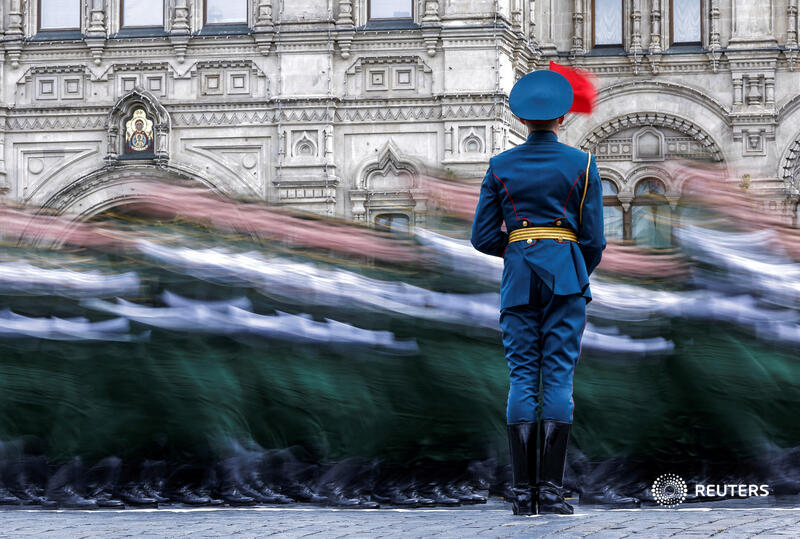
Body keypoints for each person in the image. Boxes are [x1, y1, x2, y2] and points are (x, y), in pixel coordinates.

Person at [470, 70, 605, 515]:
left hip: (518, 279)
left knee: (523, 376)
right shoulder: (582, 164)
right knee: (560, 376)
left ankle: (522, 495)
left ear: (523, 119)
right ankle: (550, 491)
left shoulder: (499, 166)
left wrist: (517, 252)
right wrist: (570, 268)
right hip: (566, 277)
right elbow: (594, 240)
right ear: (562, 116)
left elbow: (482, 236)